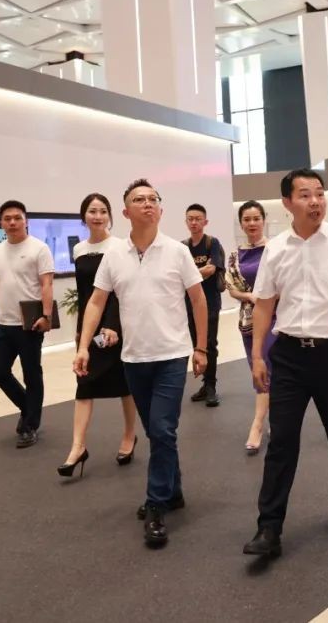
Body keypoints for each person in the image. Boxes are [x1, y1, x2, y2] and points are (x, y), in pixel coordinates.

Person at [242, 169, 328, 558]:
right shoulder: (276, 248)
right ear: (287, 203)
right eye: (305, 195)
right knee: (282, 440)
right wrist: (257, 355)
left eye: (319, 193)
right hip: (288, 355)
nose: (315, 201)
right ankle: (269, 527)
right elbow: (264, 303)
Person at [74, 178, 208, 548]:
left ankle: (156, 504)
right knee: (157, 432)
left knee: (162, 430)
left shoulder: (177, 252)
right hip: (133, 358)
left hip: (171, 356)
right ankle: (173, 490)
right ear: (125, 211)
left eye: (153, 199)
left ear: (160, 209)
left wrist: (201, 349)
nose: (147, 204)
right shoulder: (114, 255)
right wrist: (84, 346)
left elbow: (198, 300)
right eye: (139, 199)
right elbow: (97, 302)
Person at [57, 193, 139, 479]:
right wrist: (82, 332)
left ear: (110, 216)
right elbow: (85, 295)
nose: (98, 216)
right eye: (92, 211)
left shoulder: (119, 246)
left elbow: (119, 289)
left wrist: (113, 324)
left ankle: (129, 435)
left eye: (103, 211)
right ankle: (78, 447)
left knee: (124, 384)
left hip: (115, 325)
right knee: (85, 381)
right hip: (91, 325)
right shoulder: (79, 249)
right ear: (84, 216)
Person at [0, 200, 55, 449]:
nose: (12, 222)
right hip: (2, 323)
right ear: (1, 223)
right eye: (7, 218)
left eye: (17, 218)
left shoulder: (39, 248)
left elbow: (46, 284)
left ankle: (29, 425)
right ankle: (28, 408)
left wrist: (46, 316)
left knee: (32, 374)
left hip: (30, 324)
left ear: (25, 221)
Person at [225, 200, 275, 454]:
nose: (252, 223)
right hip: (248, 320)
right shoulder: (235, 256)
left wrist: (265, 298)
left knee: (267, 367)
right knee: (258, 369)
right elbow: (232, 288)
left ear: (263, 220)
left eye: (256, 218)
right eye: (247, 219)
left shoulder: (276, 249)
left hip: (277, 318)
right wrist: (250, 297)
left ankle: (257, 424)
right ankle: (273, 418)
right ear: (241, 224)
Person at [183, 203, 226, 407]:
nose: (194, 222)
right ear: (186, 222)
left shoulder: (212, 243)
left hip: (210, 303)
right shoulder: (183, 247)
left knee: (209, 344)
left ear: (205, 222)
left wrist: (190, 274)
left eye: (198, 219)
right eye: (190, 219)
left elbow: (211, 269)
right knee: (197, 345)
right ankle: (204, 385)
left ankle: (211, 387)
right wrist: (199, 272)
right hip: (189, 304)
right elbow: (179, 273)